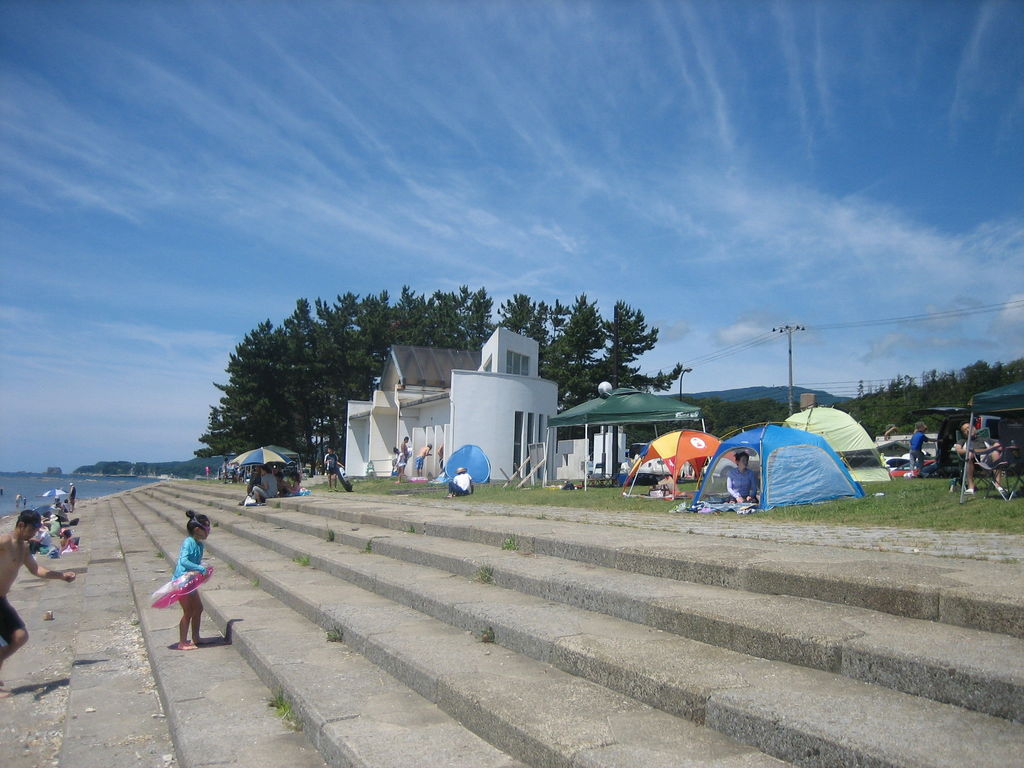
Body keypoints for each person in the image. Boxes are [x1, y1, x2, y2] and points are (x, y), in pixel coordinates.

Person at [0, 509, 77, 697]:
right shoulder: (4, 542)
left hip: (1, 599)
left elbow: (36, 570)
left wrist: (61, 576)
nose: (36, 532)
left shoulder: (24, 548)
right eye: (33, 529)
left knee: (20, 637)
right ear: (21, 525)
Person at [173, 510, 211, 651]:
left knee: (198, 608)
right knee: (188, 611)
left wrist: (203, 569)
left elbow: (196, 563)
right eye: (206, 528)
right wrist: (200, 569)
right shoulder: (188, 542)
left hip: (191, 580)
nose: (208, 531)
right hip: (181, 582)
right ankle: (182, 642)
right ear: (197, 529)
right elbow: (184, 561)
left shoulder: (199, 545)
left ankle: (196, 637)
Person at [953, 422, 1003, 494]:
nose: (968, 430)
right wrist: (971, 451)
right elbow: (959, 450)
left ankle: (998, 485)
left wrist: (990, 449)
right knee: (969, 454)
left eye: (969, 427)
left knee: (995, 453)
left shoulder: (985, 439)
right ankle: (971, 487)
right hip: (972, 462)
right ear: (963, 434)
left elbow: (999, 444)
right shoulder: (962, 441)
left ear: (974, 428)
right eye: (965, 430)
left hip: (986, 461)